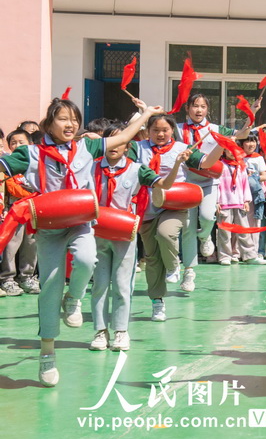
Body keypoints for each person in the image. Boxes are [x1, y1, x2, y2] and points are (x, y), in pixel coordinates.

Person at [0, 96, 160, 386]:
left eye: (75, 120)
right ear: (49, 123)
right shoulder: (31, 153)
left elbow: (124, 137)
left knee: (87, 260)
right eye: (63, 119)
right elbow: (3, 167)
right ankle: (47, 353)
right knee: (50, 286)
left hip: (81, 222)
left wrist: (146, 113)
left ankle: (73, 298)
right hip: (49, 226)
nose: (70, 124)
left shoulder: (88, 147)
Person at [90, 123, 177, 351]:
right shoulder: (91, 167)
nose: (115, 146)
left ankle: (121, 331)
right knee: (99, 284)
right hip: (97, 233)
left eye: (120, 141)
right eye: (111, 140)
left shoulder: (137, 169)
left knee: (122, 284)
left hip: (123, 234)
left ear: (127, 146)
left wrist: (177, 164)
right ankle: (100, 331)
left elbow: (164, 184)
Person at [136, 112, 221, 321]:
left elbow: (207, 163)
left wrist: (222, 145)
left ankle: (174, 265)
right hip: (147, 207)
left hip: (174, 205)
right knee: (152, 259)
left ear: (172, 130)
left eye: (165, 130)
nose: (160, 134)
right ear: (148, 131)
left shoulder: (182, 149)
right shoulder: (138, 148)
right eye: (155, 130)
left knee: (166, 233)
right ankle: (157, 301)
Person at [177, 93, 252, 289]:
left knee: (208, 217)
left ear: (207, 110)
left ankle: (205, 236)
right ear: (187, 108)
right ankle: (189, 271)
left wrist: (251, 115)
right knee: (187, 227)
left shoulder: (217, 129)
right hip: (185, 182)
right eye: (195, 106)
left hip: (209, 181)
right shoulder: (177, 129)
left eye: (203, 106)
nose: (199, 110)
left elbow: (242, 134)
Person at [0, 129, 38, 296]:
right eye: (13, 143)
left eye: (21, 142)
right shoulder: (7, 165)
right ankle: (7, 278)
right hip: (14, 211)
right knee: (12, 244)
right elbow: (11, 188)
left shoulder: (36, 164)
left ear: (30, 145)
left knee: (31, 243)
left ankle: (27, 276)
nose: (17, 145)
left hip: (33, 209)